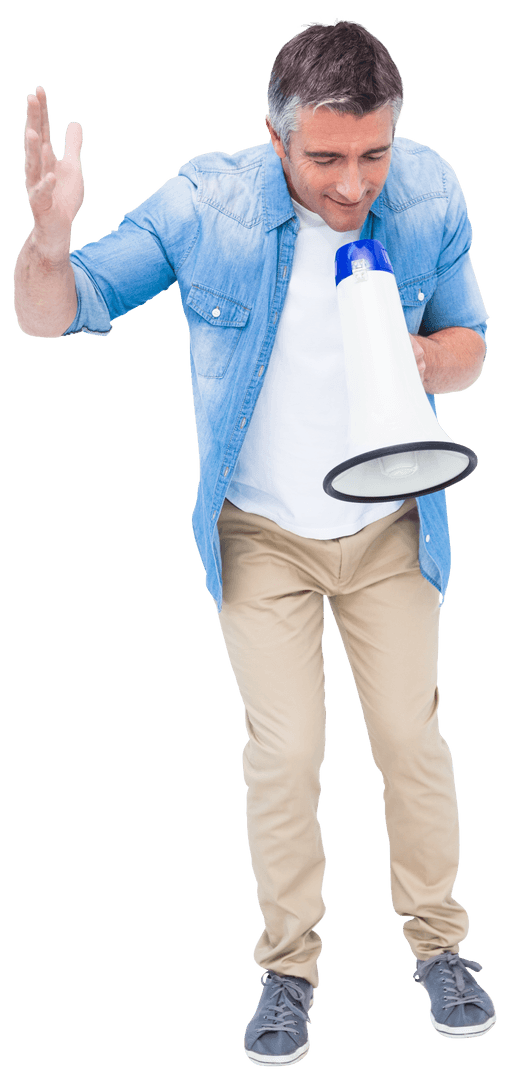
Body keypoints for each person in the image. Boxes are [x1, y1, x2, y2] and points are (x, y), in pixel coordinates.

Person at [14, 17, 497, 1067]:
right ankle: (288, 969)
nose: (355, 180)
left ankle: (439, 949)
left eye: (373, 151)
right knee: (288, 752)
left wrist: (420, 356)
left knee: (412, 743)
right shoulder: (207, 202)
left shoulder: (429, 191)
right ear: (276, 138)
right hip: (263, 535)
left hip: (391, 523)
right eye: (327, 156)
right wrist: (48, 244)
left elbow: (470, 342)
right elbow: (57, 315)